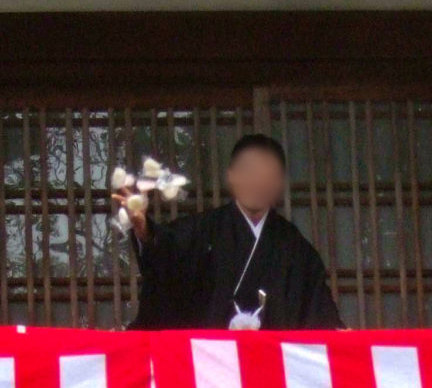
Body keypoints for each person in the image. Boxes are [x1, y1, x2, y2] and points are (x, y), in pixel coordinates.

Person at [113, 134, 343, 330]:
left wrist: (342, 337)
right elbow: (166, 258)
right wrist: (145, 231)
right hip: (209, 368)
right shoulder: (202, 231)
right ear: (232, 177)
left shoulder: (294, 247)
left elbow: (319, 315)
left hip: (270, 370)